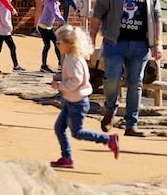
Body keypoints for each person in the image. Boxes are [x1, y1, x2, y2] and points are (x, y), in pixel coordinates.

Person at [90, 0, 163, 136]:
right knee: (112, 78)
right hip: (115, 42)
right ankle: (110, 107)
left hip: (140, 44)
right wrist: (91, 39)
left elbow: (157, 15)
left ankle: (131, 124)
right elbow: (98, 12)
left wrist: (157, 42)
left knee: (135, 82)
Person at [49, 25, 120, 169]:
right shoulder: (72, 57)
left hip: (77, 102)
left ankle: (108, 139)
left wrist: (60, 86)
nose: (57, 45)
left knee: (78, 132)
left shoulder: (72, 60)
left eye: (59, 42)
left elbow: (75, 81)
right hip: (72, 101)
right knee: (59, 128)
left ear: (69, 44)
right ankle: (66, 158)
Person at [38, 0, 69, 72]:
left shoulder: (53, 2)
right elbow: (56, 14)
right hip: (43, 27)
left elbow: (57, 12)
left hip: (49, 27)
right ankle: (43, 65)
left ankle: (60, 63)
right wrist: (64, 22)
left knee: (57, 43)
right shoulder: (51, 3)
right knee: (47, 45)